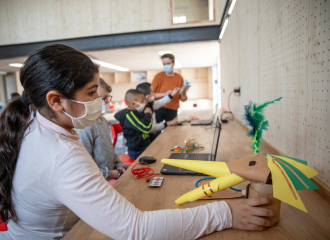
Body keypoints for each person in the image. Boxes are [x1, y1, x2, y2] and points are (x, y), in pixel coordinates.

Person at [0, 44, 274, 240]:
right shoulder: (60, 155)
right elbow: (136, 229)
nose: (101, 101)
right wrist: (226, 213)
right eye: (92, 92)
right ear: (56, 101)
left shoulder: (34, 125)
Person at [76, 78, 128, 183]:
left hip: (111, 175)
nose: (105, 103)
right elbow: (85, 168)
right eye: (100, 99)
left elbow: (111, 152)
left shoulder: (103, 120)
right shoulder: (85, 127)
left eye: (106, 98)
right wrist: (111, 173)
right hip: (99, 181)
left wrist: (119, 165)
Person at [114, 89, 153, 159]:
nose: (143, 103)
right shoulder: (130, 116)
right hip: (137, 151)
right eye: (142, 101)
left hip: (144, 148)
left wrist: (147, 107)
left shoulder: (136, 112)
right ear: (133, 104)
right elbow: (146, 128)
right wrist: (148, 115)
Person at [151, 53, 190, 123]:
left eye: (168, 63)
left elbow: (183, 99)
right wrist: (165, 94)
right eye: (164, 64)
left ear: (173, 64)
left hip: (173, 110)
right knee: (156, 132)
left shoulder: (179, 78)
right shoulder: (158, 76)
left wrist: (184, 91)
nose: (166, 66)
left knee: (172, 131)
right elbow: (151, 94)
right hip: (159, 108)